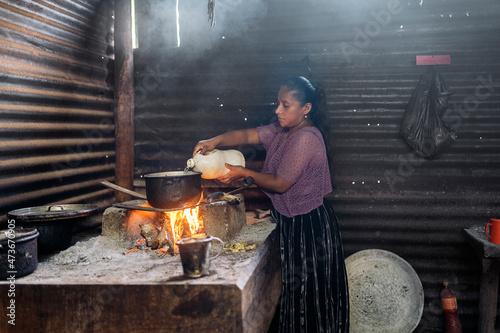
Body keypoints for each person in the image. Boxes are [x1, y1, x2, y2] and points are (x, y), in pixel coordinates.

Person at [193, 76, 349, 332]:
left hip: (310, 227)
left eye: (285, 105)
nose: (278, 110)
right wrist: (215, 141)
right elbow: (245, 134)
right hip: (293, 221)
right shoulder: (283, 130)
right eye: (278, 103)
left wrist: (244, 173)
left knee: (309, 297)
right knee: (292, 295)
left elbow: (280, 183)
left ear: (306, 109)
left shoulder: (307, 138)